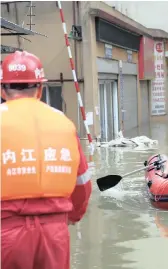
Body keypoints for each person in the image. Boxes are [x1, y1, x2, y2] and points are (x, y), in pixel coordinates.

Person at [1, 51, 92, 269]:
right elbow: (83, 183)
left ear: (3, 89)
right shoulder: (64, 123)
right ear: (40, 89)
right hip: (55, 233)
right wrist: (73, 215)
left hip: (6, 233)